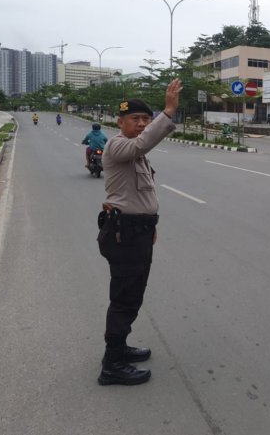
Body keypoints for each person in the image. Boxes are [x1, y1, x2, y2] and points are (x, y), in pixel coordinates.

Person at [95, 80, 182, 386]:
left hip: (137, 233)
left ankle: (120, 348)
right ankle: (112, 364)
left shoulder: (137, 154)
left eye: (146, 119)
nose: (142, 123)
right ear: (120, 123)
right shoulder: (118, 145)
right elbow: (142, 143)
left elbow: (142, 196)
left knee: (132, 295)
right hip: (125, 235)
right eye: (136, 119)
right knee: (124, 298)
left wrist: (152, 226)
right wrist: (168, 111)